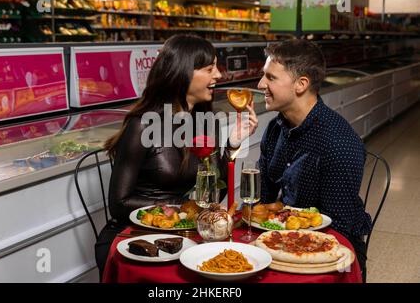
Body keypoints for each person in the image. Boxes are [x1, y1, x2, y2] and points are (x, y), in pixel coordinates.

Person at [96, 34, 258, 278]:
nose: (219, 76)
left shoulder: (205, 123)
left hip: (182, 235)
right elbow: (118, 204)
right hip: (134, 237)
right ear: (183, 73)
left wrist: (231, 144)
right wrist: (184, 210)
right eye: (209, 68)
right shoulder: (143, 125)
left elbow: (214, 193)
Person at [257, 39, 372, 280]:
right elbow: (263, 201)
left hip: (333, 251)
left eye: (271, 78)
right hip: (285, 235)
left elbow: (338, 230)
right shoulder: (275, 129)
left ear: (301, 84)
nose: (260, 84)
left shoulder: (338, 143)